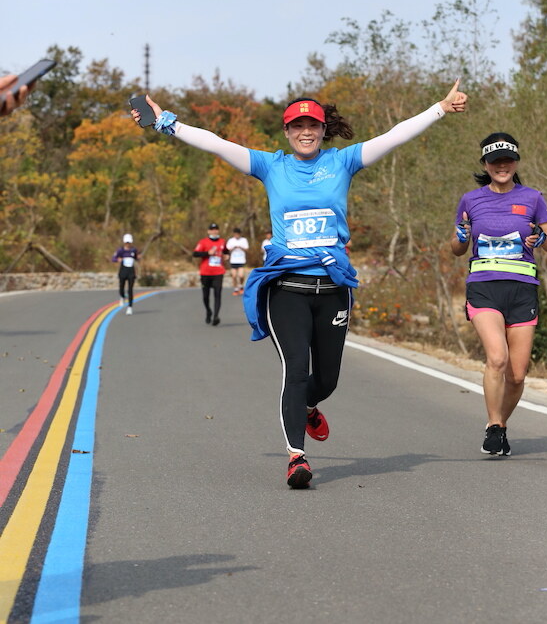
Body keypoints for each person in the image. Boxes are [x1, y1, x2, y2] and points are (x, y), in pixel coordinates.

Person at [132, 81, 467, 488]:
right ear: (287, 132)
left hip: (333, 287)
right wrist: (166, 123)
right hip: (286, 287)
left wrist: (440, 109)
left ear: (324, 129)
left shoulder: (343, 162)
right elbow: (217, 143)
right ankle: (297, 457)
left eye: (313, 125)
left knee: (327, 381)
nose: (306, 132)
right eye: (297, 126)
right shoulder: (271, 166)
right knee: (296, 368)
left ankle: (310, 405)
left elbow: (393, 136)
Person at [450, 133, 547, 456]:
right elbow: (457, 249)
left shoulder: (532, 198)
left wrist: (541, 238)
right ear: (485, 164)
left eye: (507, 160)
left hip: (523, 289)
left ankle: (498, 426)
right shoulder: (471, 200)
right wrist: (459, 236)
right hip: (484, 286)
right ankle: (495, 425)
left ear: (515, 163)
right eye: (495, 161)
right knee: (497, 358)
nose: (502, 166)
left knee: (517, 373)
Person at [193, 223, 230, 326]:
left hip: (218, 272)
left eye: (216, 229)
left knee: (217, 294)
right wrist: (207, 253)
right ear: (208, 231)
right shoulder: (203, 242)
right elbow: (195, 254)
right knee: (206, 296)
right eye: (212, 230)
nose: (214, 231)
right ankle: (209, 311)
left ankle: (216, 316)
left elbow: (226, 251)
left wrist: (227, 256)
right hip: (205, 273)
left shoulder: (222, 242)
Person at [112, 233, 140, 315]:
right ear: (124, 242)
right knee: (121, 286)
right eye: (126, 242)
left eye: (129, 242)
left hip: (131, 271)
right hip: (123, 270)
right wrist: (118, 260)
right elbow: (113, 258)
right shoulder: (120, 250)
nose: (128, 244)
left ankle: (130, 307)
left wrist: (138, 258)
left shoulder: (133, 250)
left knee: (130, 289)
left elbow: (136, 258)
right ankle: (122, 296)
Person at [226, 227, 249, 295]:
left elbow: (247, 249)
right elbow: (227, 249)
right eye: (235, 234)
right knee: (234, 275)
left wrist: (241, 247)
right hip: (233, 260)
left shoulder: (244, 240)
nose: (236, 235)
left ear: (240, 234)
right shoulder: (231, 240)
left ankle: (241, 286)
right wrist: (233, 248)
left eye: (238, 234)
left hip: (241, 260)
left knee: (241, 275)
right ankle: (236, 288)